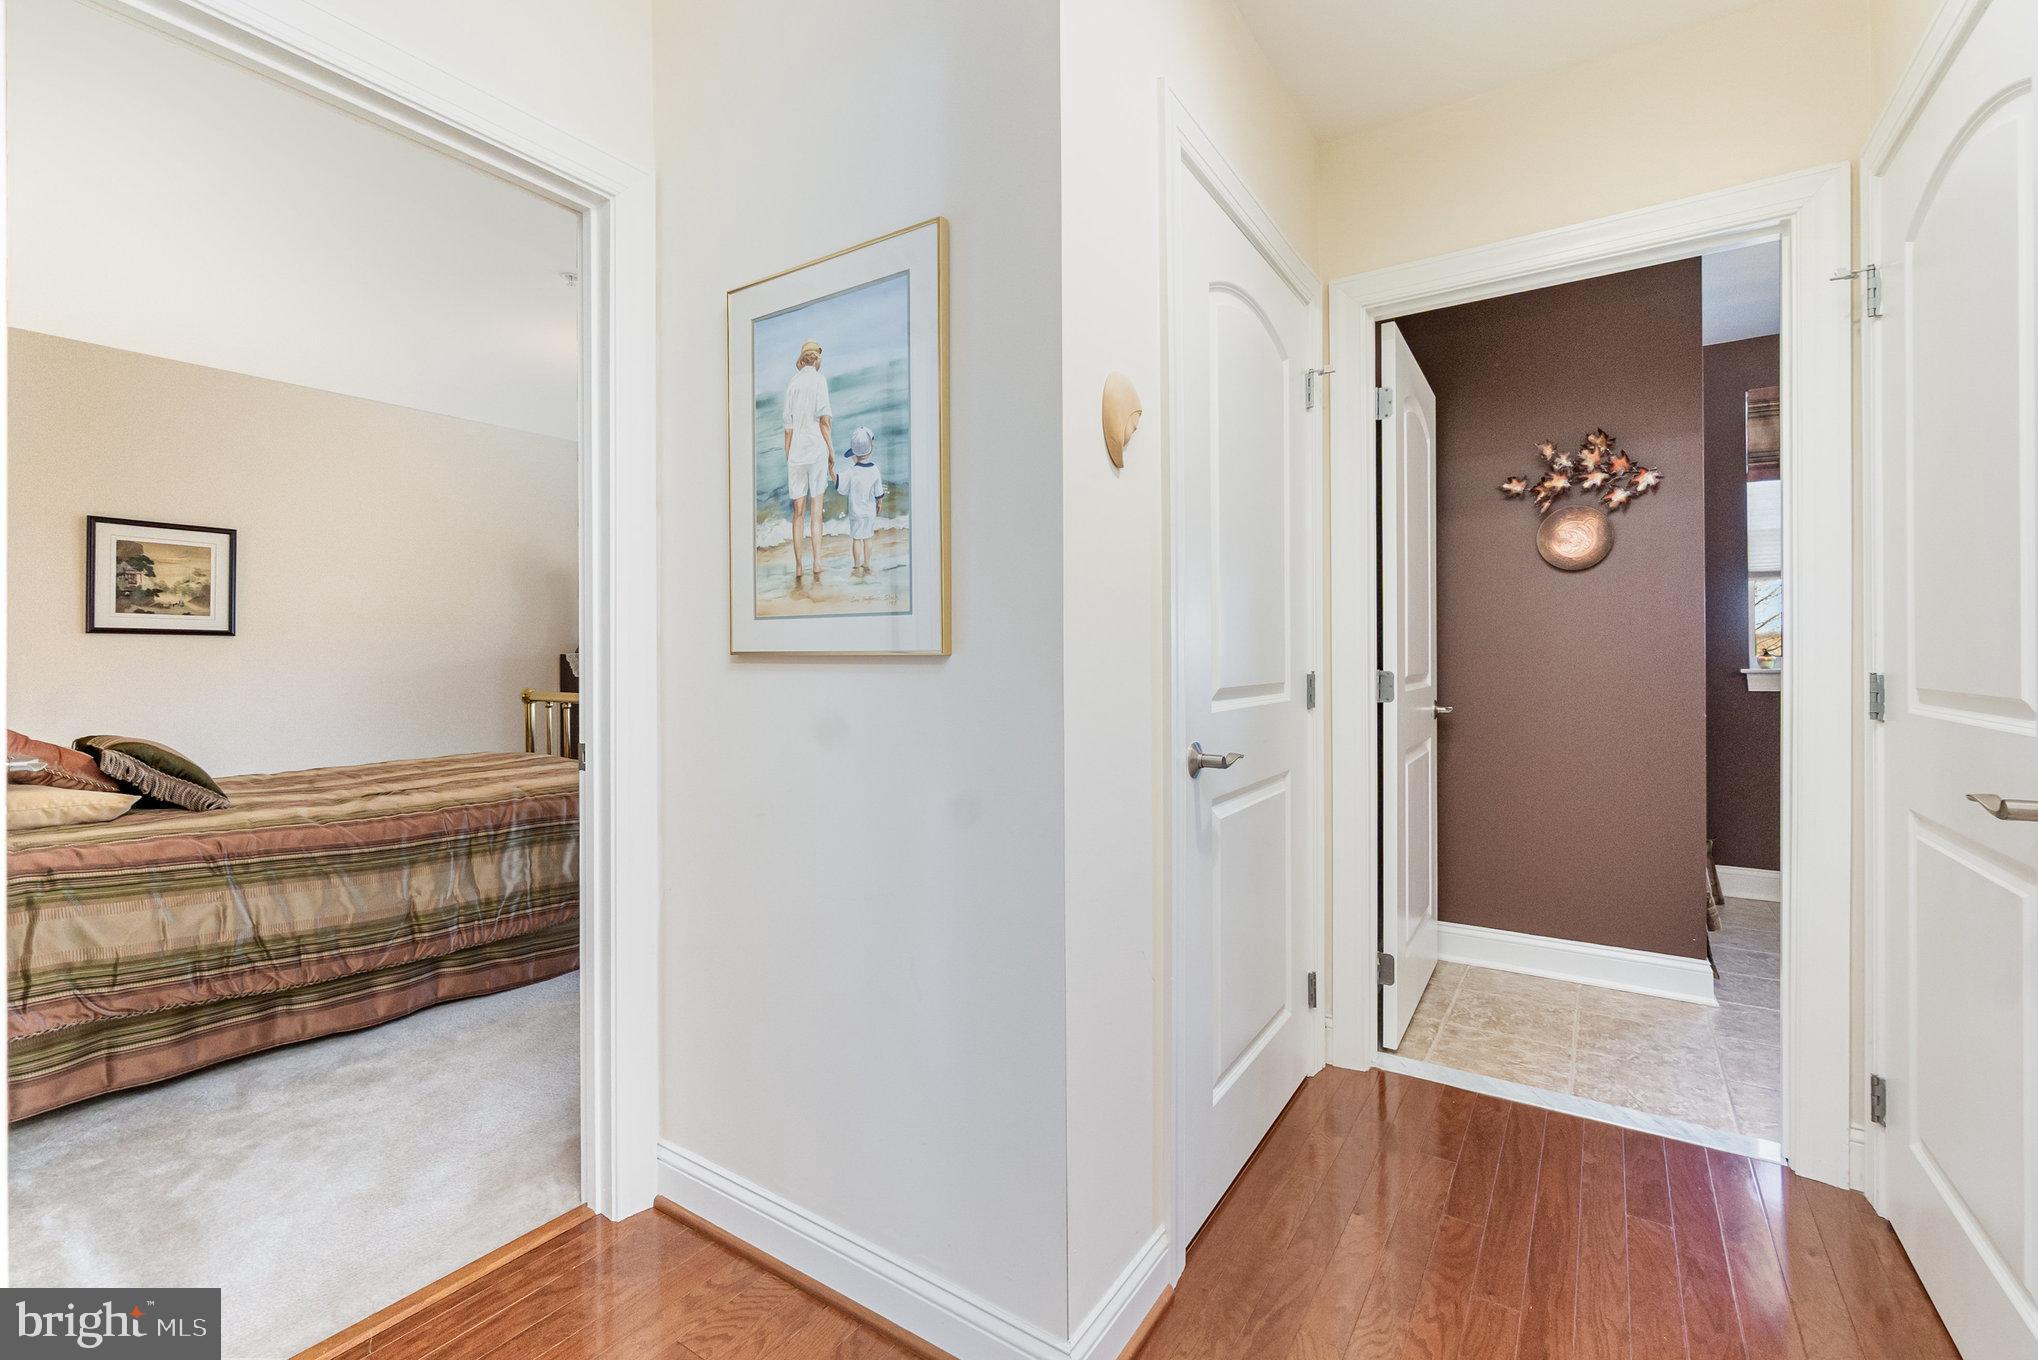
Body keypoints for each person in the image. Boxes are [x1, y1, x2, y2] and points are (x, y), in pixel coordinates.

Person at [781, 339, 833, 583]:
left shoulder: (792, 384)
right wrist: (832, 453)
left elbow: (787, 430)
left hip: (797, 453)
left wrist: (789, 455)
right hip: (816, 451)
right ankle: (817, 562)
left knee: (798, 513)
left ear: (803, 359)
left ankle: (799, 566)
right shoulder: (820, 381)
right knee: (816, 510)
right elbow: (824, 422)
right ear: (817, 358)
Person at [837, 427, 885, 578]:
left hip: (856, 512)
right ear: (870, 450)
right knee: (868, 538)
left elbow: (839, 484)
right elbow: (879, 493)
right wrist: (879, 504)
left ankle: (857, 566)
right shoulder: (875, 470)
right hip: (870, 512)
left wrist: (830, 468)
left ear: (854, 455)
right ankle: (867, 564)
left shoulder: (852, 471)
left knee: (857, 539)